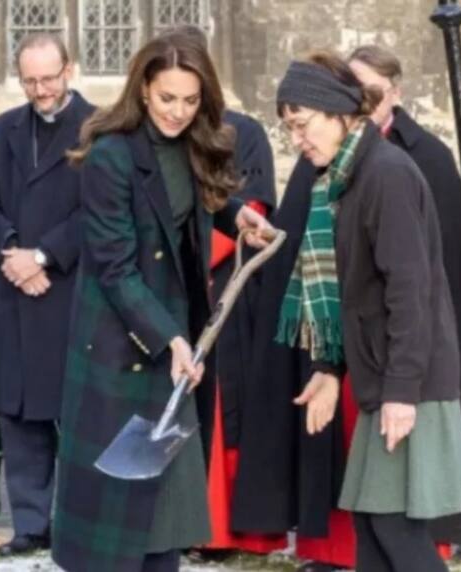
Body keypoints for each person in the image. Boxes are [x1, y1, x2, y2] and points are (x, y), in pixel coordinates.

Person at [237, 51, 461, 572]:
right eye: (289, 128)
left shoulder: (385, 174)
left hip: (409, 383)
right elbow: (357, 295)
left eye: (302, 125)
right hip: (384, 379)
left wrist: (401, 392)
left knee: (394, 526)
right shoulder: (346, 179)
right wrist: (329, 370)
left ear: (340, 112)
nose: (297, 140)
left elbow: (410, 293)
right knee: (372, 524)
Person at [51, 33, 270, 572]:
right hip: (122, 345)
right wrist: (168, 336)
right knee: (115, 533)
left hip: (177, 340)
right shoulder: (111, 157)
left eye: (191, 100)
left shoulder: (193, 143)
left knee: (164, 522)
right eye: (168, 97)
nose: (178, 111)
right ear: (144, 89)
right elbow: (116, 268)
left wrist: (235, 214)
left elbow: (191, 202)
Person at [348, 45, 461, 552]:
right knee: (375, 512)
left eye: (372, 92)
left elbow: (430, 273)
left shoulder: (421, 157)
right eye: (354, 92)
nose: (363, 103)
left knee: (396, 514)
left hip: (412, 352)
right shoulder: (340, 156)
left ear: (396, 92)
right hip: (367, 349)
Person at [157, 24, 284, 557]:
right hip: (171, 291)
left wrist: (204, 250)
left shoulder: (243, 132)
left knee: (228, 409)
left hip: (226, 288)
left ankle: (228, 530)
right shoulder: (157, 138)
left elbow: (253, 209)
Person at [0, 33, 94, 556]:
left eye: (49, 78)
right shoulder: (4, 130)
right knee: (20, 416)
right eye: (30, 81)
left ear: (69, 69)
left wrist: (43, 257)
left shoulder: (100, 129)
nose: (41, 91)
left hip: (68, 290)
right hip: (15, 290)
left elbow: (101, 212)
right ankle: (29, 523)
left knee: (77, 413)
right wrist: (13, 253)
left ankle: (81, 523)